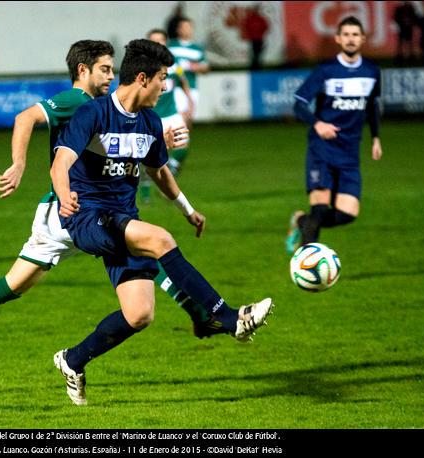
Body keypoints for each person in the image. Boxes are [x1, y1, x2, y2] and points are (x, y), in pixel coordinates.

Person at [0, 40, 210, 371]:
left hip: (93, 211)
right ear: (83, 71)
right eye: (105, 69)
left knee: (142, 252)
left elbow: (121, 155)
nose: (112, 75)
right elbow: (25, 117)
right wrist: (19, 164)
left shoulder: (110, 108)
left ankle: (199, 313)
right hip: (67, 213)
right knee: (15, 285)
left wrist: (156, 143)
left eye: (114, 69)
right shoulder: (77, 100)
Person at [50, 39, 274, 405]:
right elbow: (60, 163)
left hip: (123, 219)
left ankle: (73, 360)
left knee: (139, 314)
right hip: (88, 218)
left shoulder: (150, 122)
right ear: (142, 78)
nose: (166, 86)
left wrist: (187, 208)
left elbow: (159, 171)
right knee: (161, 240)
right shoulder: (93, 114)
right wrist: (63, 195)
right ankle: (230, 318)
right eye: (162, 78)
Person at [286, 16, 382, 254]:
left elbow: (372, 106)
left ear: (362, 38)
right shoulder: (326, 71)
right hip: (323, 149)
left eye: (355, 35)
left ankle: (299, 221)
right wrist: (317, 123)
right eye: (346, 34)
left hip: (349, 151)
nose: (350, 39)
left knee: (346, 214)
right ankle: (306, 267)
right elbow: (298, 104)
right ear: (338, 38)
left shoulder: (371, 72)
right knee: (319, 210)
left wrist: (376, 138)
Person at [142, 28, 192, 198]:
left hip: (171, 113)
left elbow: (183, 80)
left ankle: (170, 172)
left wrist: (189, 102)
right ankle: (146, 188)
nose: (158, 43)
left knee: (183, 144)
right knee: (144, 155)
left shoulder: (173, 62)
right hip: (151, 115)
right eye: (154, 40)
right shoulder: (142, 64)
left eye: (161, 40)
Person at [167, 17, 210, 174]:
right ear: (179, 29)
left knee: (187, 124)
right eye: (184, 26)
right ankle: (173, 161)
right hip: (176, 89)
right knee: (179, 122)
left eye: (189, 26)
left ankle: (174, 157)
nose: (187, 29)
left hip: (192, 90)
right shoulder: (171, 46)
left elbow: (206, 68)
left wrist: (192, 66)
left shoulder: (197, 49)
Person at [241, 4, 269, 70]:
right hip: (253, 39)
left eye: (256, 10)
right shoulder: (250, 18)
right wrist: (249, 34)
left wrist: (261, 33)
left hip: (259, 38)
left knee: (258, 52)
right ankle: (254, 65)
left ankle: (258, 65)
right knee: (253, 52)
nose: (256, 11)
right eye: (255, 10)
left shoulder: (261, 18)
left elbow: (266, 26)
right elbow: (245, 26)